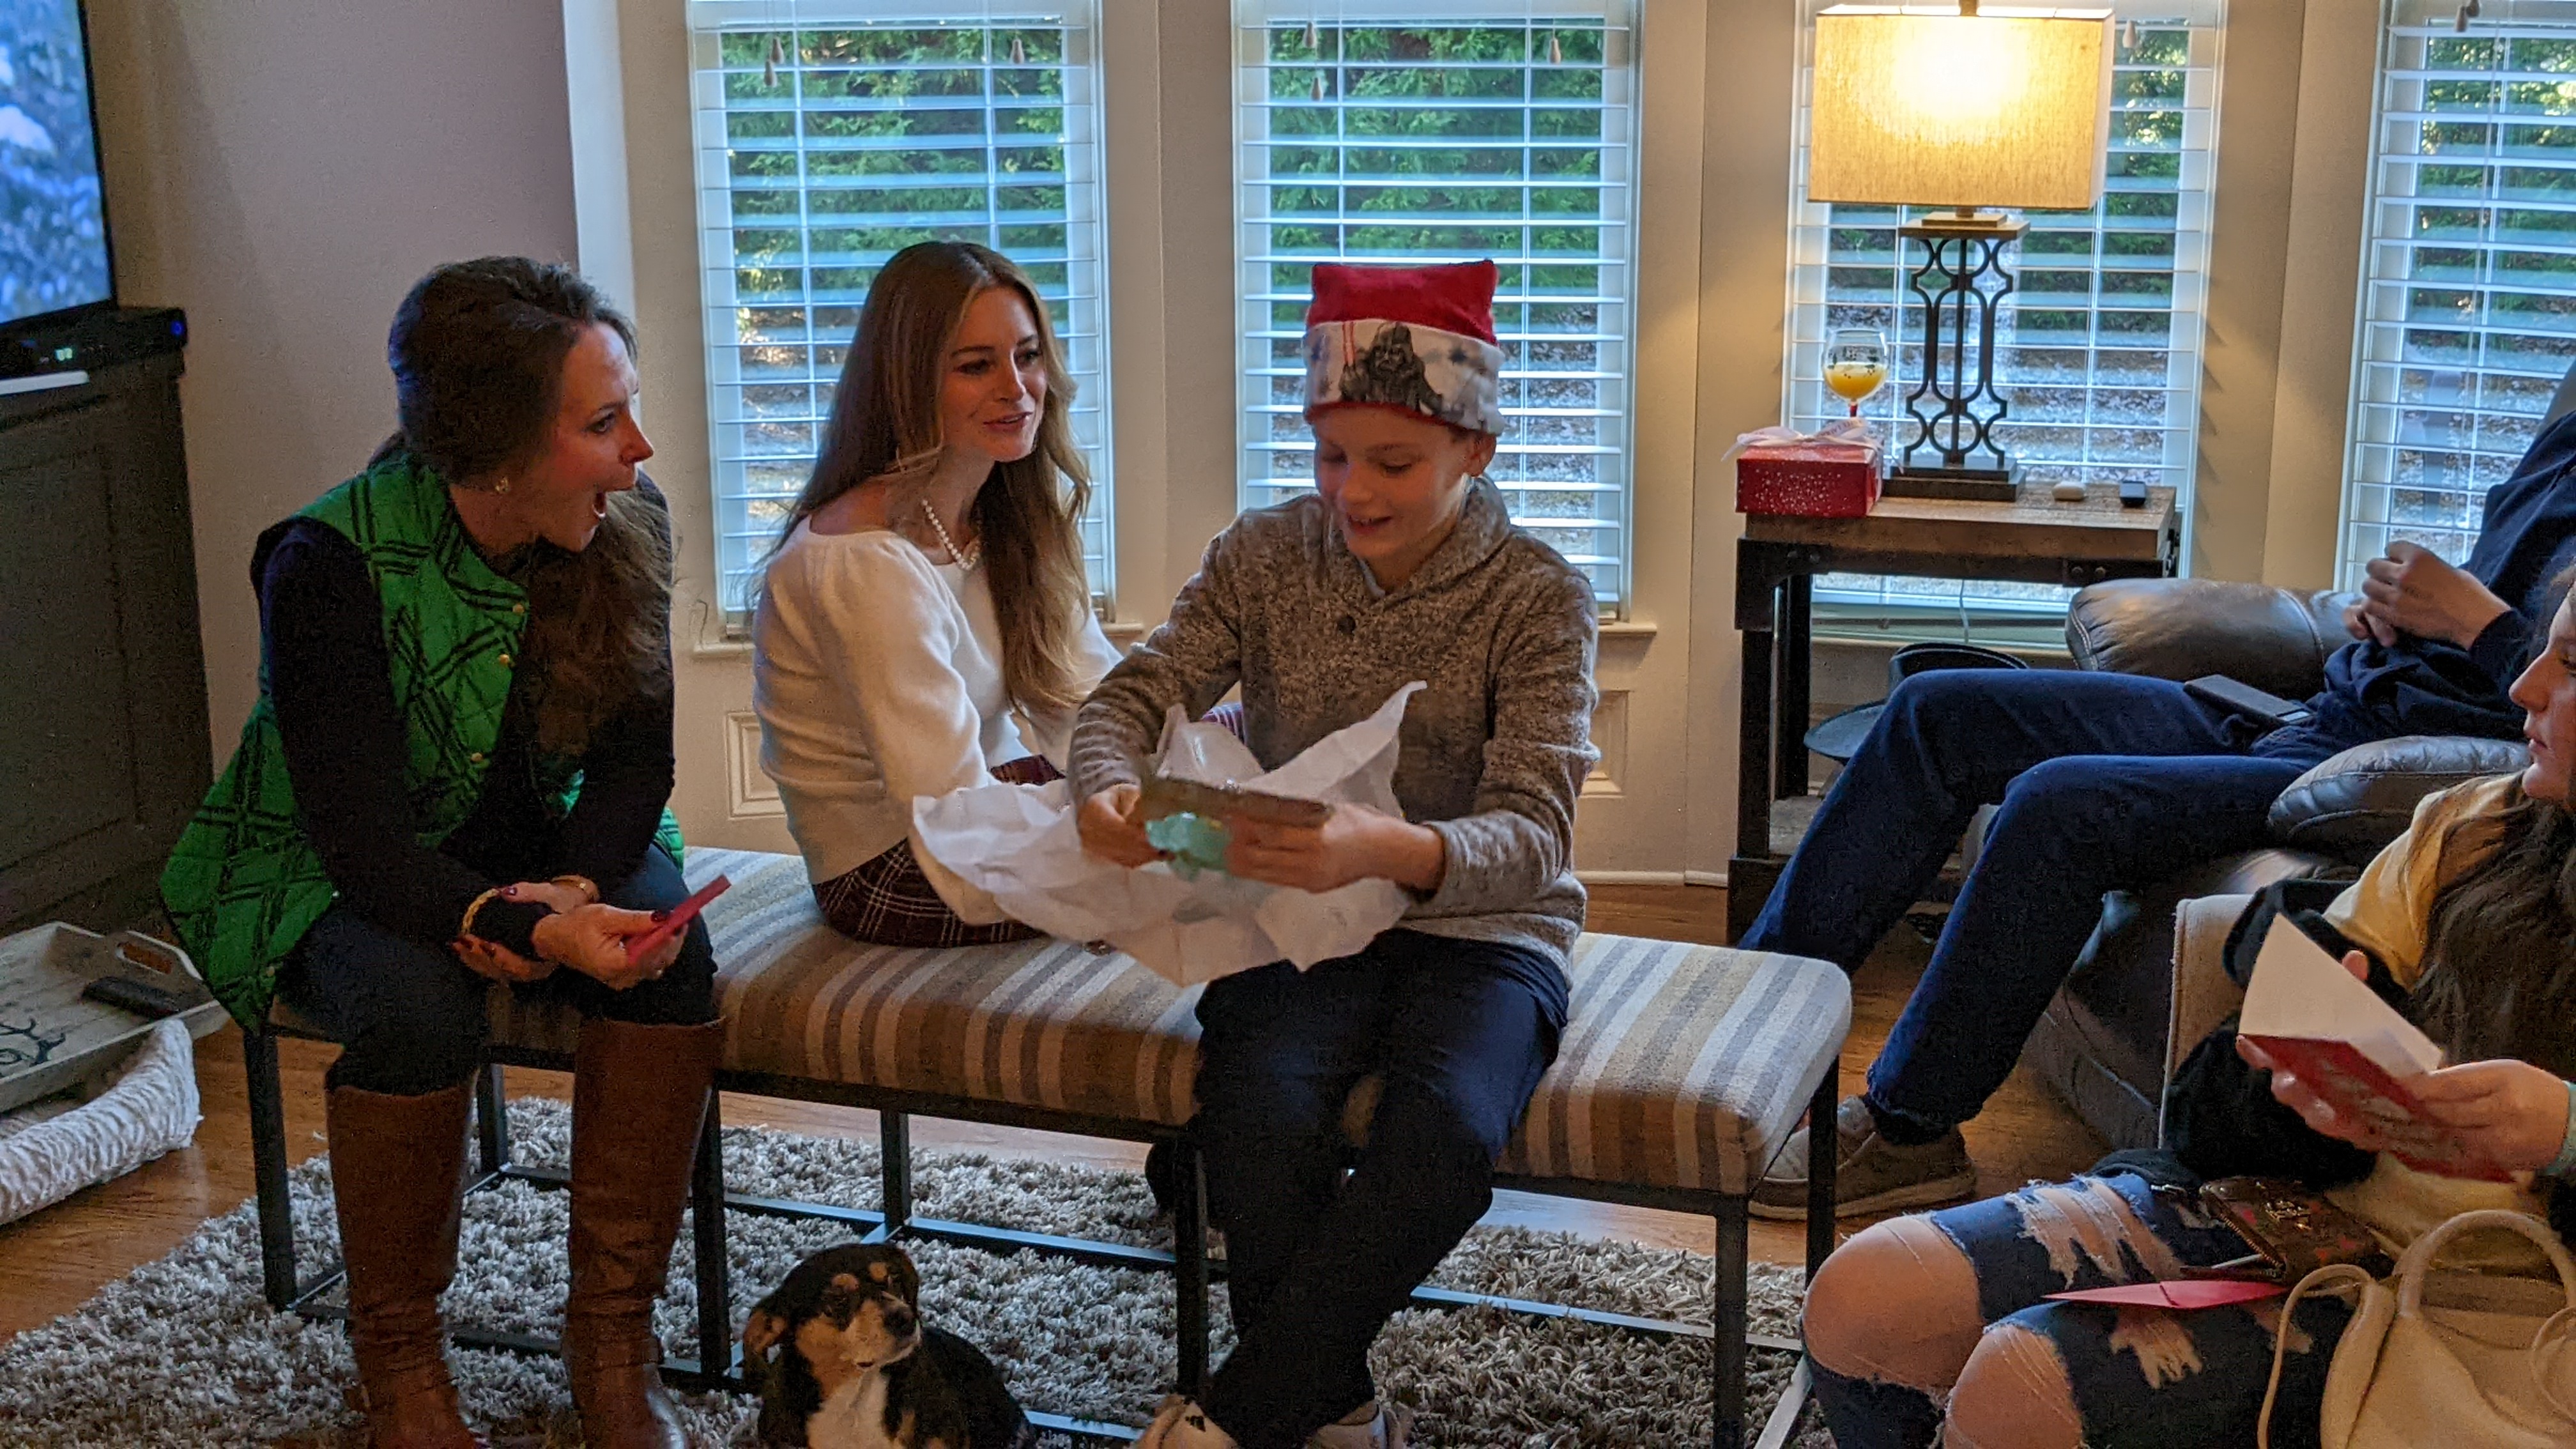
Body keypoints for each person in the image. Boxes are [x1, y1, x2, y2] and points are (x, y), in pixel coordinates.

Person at [1797, 578, 2576, 1448]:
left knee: (2021, 1386)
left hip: (2506, 1305)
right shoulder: (2470, 828)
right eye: (2541, 650)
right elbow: (2218, 1118)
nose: (2525, 686)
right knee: (1861, 1298)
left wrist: (2566, 1134)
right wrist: (2289, 1086)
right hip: (2303, 1214)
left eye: (2572, 665)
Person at [1747, 409, 2576, 1218]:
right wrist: (2402, 617)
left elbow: (2525, 671)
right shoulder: (2563, 438)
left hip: (2371, 765)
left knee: (2058, 804)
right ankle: (1739, 1040)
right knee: (1937, 711)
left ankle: (1908, 1132)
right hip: (2318, 707)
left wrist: (2475, 622)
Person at [160, 259, 718, 1449]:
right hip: (333, 865)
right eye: (604, 423)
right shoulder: (327, 563)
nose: (640, 451)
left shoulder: (629, 521)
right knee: (419, 1007)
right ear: (499, 449)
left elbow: (637, 768)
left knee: (672, 961)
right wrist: (519, 925)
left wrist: (572, 891)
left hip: (552, 841)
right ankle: (403, 1371)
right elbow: (360, 840)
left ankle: (614, 1345)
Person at [1071, 259, 1600, 1449]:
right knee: (1255, 1119)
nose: (1351, 491)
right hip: (1291, 911)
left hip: (1480, 932)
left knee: (1444, 1134)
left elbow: (1533, 835)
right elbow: (1133, 694)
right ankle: (1337, 1409)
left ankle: (1241, 1415)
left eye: (1392, 464)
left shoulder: (1538, 596)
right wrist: (1105, 785)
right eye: (1329, 457)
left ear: (1476, 451)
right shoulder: (1262, 556)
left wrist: (1389, 848)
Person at [753, 240, 1121, 947]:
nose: (1016, 388)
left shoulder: (1006, 520)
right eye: (976, 366)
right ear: (908, 382)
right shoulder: (862, 561)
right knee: (1210, 867)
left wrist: (1154, 791)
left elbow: (1091, 703)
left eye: (1028, 356)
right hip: (890, 863)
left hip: (989, 797)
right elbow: (951, 813)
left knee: (1230, 757)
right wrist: (1126, 851)